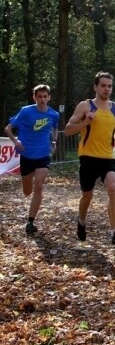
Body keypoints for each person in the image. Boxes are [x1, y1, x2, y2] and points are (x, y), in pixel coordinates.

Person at [64, 72, 115, 244]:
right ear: (95, 87)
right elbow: (68, 129)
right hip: (88, 157)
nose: (107, 89)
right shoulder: (85, 106)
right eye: (103, 85)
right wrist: (86, 122)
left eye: (109, 86)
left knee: (113, 187)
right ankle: (81, 221)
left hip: (107, 157)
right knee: (87, 196)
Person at [4, 84, 59, 235]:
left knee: (39, 186)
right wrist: (16, 142)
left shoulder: (53, 114)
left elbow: (55, 128)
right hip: (26, 155)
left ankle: (30, 222)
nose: (42, 99)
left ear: (49, 97)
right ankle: (28, 187)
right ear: (34, 97)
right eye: (39, 96)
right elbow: (8, 128)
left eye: (45, 96)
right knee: (27, 191)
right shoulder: (26, 112)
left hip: (43, 155)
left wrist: (54, 141)